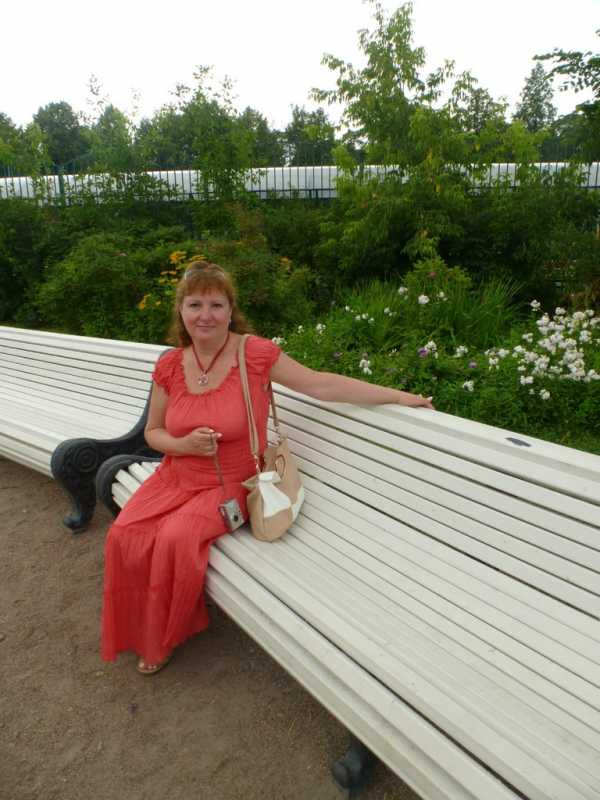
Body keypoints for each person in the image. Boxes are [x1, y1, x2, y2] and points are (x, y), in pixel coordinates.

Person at [101, 261, 434, 675]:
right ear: (181, 310)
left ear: (231, 310)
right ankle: (142, 626)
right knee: (124, 533)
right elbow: (153, 433)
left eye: (216, 305)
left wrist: (397, 396)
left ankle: (163, 636)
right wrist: (183, 445)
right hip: (175, 476)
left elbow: (319, 384)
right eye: (195, 304)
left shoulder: (254, 354)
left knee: (175, 536)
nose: (205, 315)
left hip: (231, 483)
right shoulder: (170, 366)